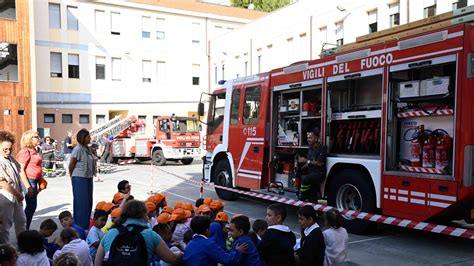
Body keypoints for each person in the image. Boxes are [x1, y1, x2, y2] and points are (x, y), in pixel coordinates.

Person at [95, 200, 182, 265]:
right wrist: (180, 253)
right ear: (143, 214)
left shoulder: (110, 233)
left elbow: (97, 263)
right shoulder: (150, 235)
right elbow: (172, 259)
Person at [182, 216, 247, 266]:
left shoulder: (190, 243)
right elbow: (227, 259)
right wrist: (237, 251)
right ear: (207, 230)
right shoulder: (208, 244)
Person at [0, 130, 26, 243]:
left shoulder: (11, 159)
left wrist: (22, 190)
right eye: (5, 149)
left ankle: (23, 246)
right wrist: (18, 194)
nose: (8, 151)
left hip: (16, 197)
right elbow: (2, 182)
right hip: (5, 197)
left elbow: (19, 172)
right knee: (5, 225)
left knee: (21, 221)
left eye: (10, 149)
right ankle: (4, 250)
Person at [69, 128, 96, 230]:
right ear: (82, 138)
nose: (90, 138)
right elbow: (71, 165)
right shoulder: (78, 149)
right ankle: (80, 227)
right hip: (79, 178)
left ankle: (85, 225)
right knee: (81, 203)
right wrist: (72, 177)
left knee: (88, 202)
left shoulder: (87, 149)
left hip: (88, 177)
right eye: (88, 137)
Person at [17, 130, 43, 230]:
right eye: (36, 137)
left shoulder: (34, 150)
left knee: (31, 207)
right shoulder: (25, 151)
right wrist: (28, 187)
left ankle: (24, 229)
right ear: (29, 139)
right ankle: (23, 229)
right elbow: (21, 170)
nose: (38, 138)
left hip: (34, 180)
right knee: (31, 207)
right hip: (29, 181)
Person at [298, 128, 327, 202]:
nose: (308, 139)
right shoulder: (310, 148)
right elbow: (309, 162)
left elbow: (320, 163)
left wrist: (306, 161)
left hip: (319, 173)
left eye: (310, 137)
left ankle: (302, 196)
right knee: (312, 197)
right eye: (307, 138)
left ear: (316, 138)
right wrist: (302, 167)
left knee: (305, 178)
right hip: (311, 173)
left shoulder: (322, 148)